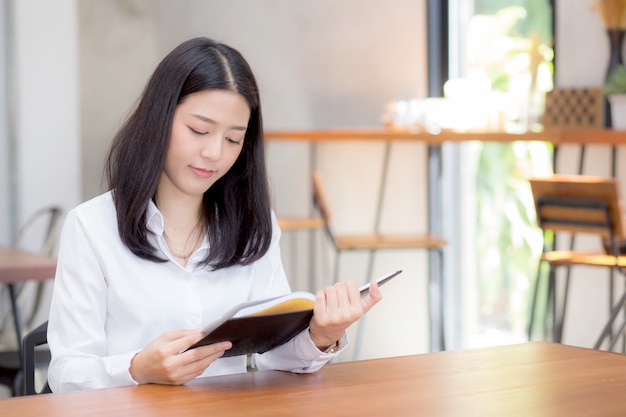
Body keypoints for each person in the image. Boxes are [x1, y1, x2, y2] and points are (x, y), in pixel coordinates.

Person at [47, 36, 382, 393]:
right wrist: (135, 369)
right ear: (159, 118)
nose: (214, 153)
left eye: (234, 140)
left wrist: (321, 335)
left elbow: (274, 357)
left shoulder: (255, 226)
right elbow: (67, 374)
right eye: (199, 130)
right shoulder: (92, 227)